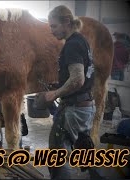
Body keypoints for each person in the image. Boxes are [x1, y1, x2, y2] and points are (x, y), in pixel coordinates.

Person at [42, 5, 102, 179]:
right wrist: (60, 83)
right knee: (84, 148)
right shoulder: (81, 40)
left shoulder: (72, 45)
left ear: (66, 22)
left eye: (53, 26)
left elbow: (77, 80)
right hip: (86, 107)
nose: (51, 31)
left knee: (58, 156)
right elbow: (79, 75)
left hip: (74, 109)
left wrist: (55, 93)